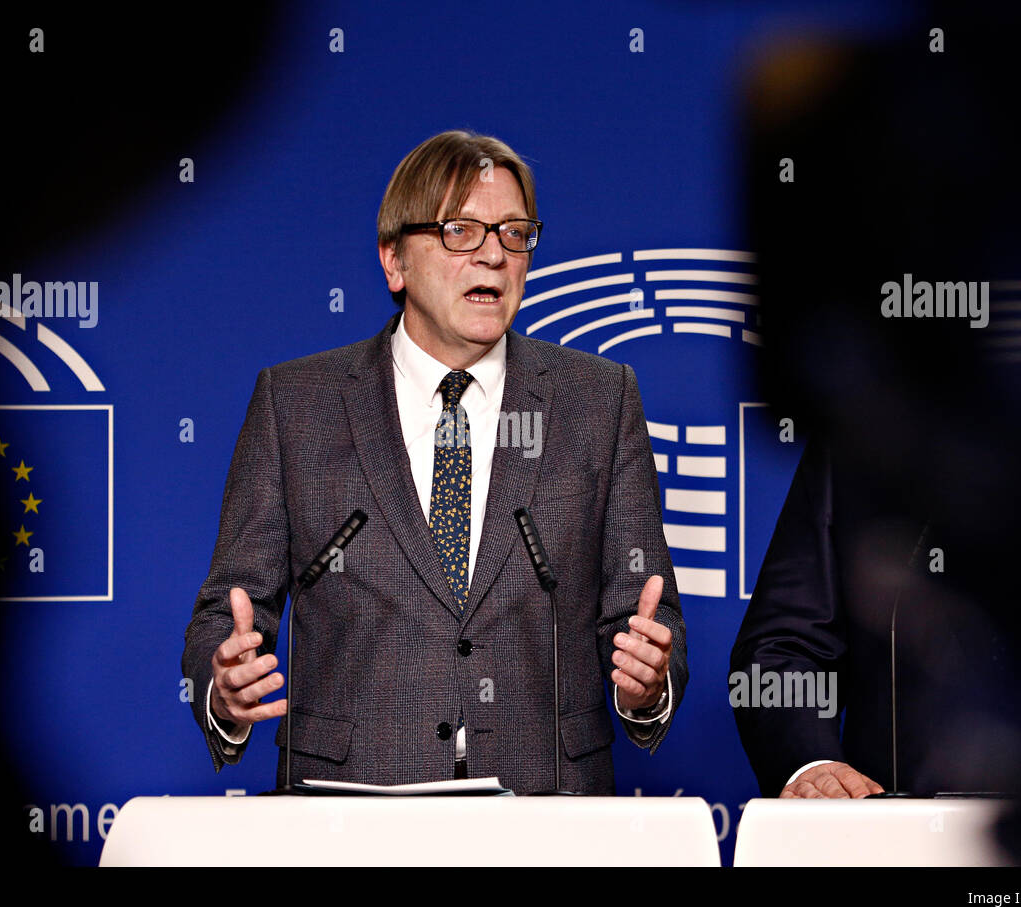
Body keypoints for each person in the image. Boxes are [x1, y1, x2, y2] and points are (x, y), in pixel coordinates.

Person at [182, 130, 688, 794]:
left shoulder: (599, 400)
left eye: (514, 234)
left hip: (546, 815)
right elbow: (226, 611)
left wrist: (648, 682)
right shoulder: (296, 404)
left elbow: (649, 619)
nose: (493, 256)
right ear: (394, 262)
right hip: (348, 815)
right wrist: (222, 686)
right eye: (461, 232)